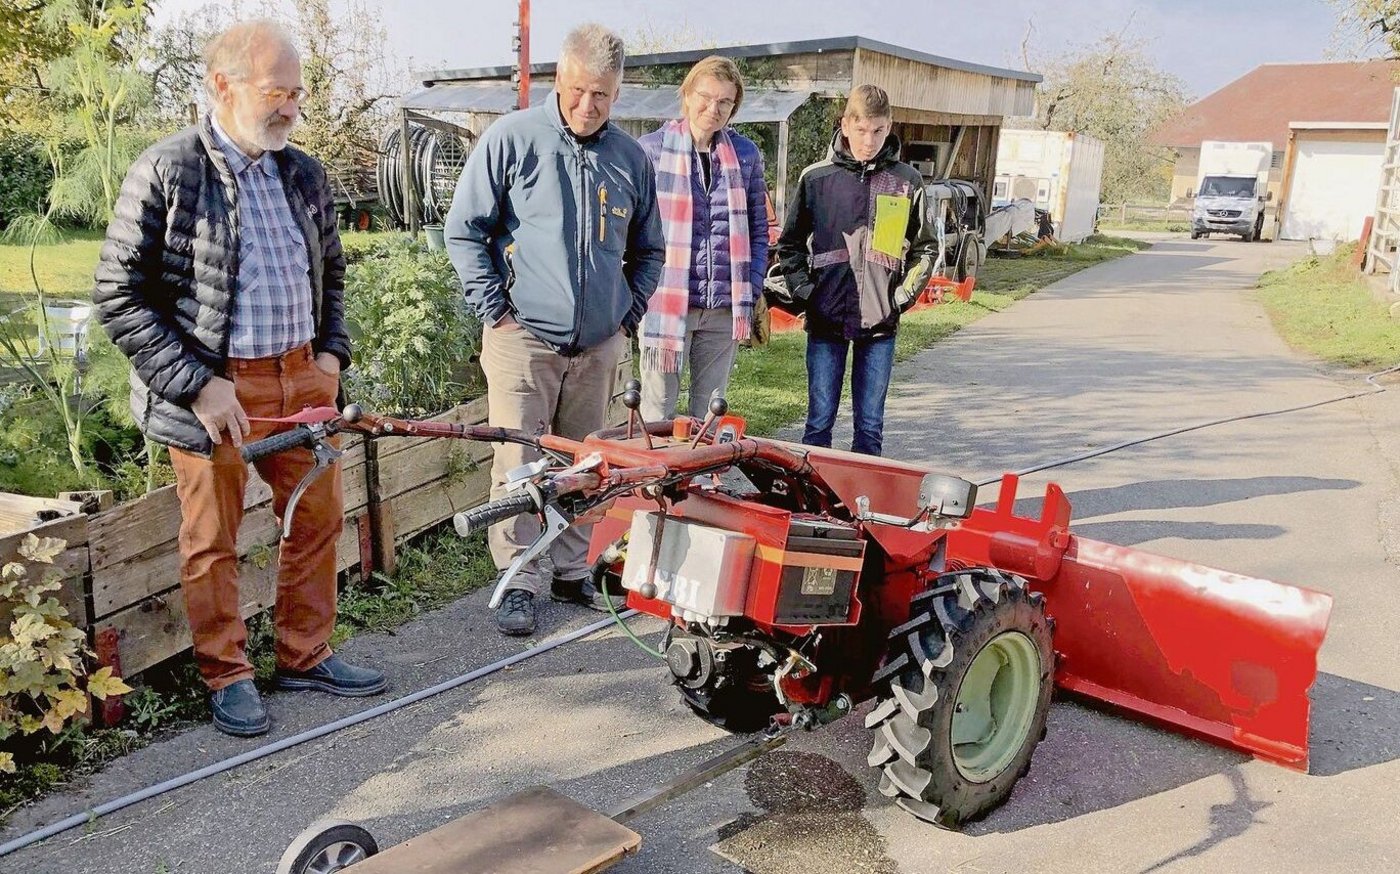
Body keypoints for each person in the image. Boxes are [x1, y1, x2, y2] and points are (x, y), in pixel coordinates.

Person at [93, 20, 386, 738]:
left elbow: (332, 275)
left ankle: (304, 654)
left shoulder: (304, 172)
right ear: (223, 86)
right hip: (217, 393)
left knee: (317, 521)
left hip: (302, 382)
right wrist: (197, 383)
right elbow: (116, 294)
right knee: (212, 537)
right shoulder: (169, 169)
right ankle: (227, 675)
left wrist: (331, 360)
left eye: (297, 93)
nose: (289, 107)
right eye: (275, 91)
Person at [445, 23, 666, 637]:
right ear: (557, 79)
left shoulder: (629, 158)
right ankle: (518, 576)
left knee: (586, 463)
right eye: (576, 91)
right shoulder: (515, 140)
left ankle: (571, 569)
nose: (586, 106)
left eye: (601, 95)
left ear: (617, 93)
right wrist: (495, 309)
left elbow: (649, 250)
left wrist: (627, 314)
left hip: (597, 344)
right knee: (520, 462)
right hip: (523, 338)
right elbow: (466, 231)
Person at [767, 84, 938, 456]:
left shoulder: (907, 181)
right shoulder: (816, 179)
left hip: (880, 323)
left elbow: (925, 247)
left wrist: (900, 297)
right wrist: (806, 293)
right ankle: (814, 504)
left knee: (870, 427)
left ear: (888, 126)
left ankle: (864, 508)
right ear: (845, 125)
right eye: (861, 130)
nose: (869, 140)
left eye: (878, 131)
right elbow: (790, 244)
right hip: (825, 318)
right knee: (818, 423)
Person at [636, 56, 768, 421]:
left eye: (725, 101)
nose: (714, 108)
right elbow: (635, 230)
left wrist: (752, 284)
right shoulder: (651, 150)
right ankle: (656, 481)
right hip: (665, 303)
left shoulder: (745, 156)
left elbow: (759, 228)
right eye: (706, 97)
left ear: (734, 107)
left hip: (723, 308)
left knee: (707, 415)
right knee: (657, 411)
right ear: (688, 95)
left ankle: (702, 479)